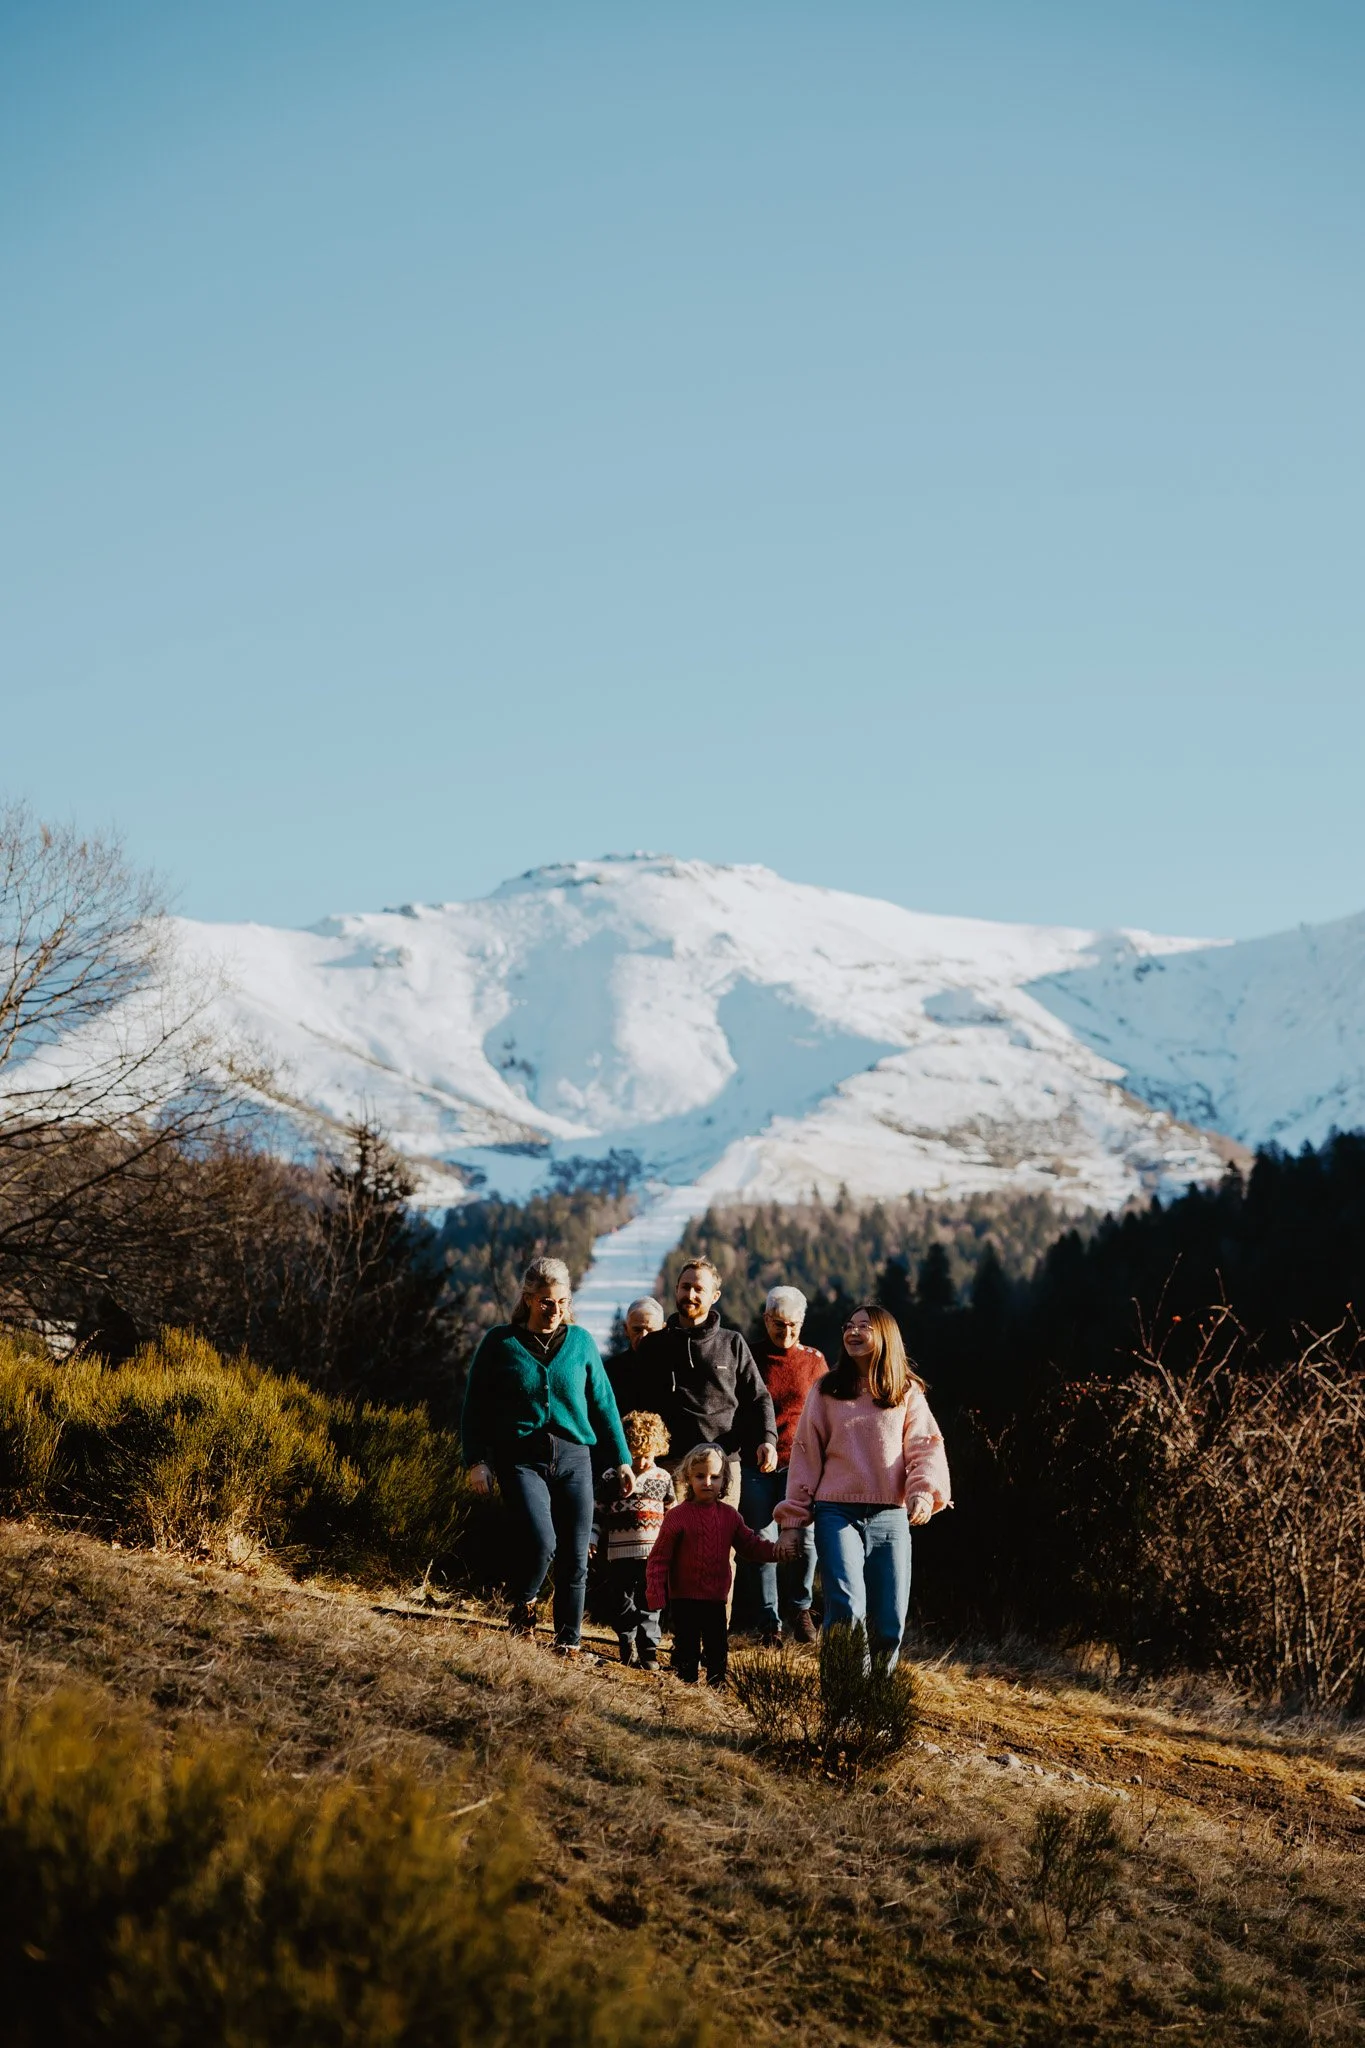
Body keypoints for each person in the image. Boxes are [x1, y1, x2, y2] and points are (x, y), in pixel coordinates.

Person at [461, 1255, 632, 1658]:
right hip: (520, 1459)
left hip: (575, 1457)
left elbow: (604, 1404)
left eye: (562, 1302)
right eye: (545, 1302)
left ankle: (568, 1641)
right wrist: (476, 1460)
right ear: (528, 1299)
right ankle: (523, 1603)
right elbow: (475, 1407)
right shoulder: (499, 1343)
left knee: (576, 1554)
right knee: (542, 1542)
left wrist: (622, 1457)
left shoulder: (582, 1343)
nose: (555, 1311)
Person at [775, 1304, 950, 1672]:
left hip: (891, 1516)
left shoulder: (906, 1391)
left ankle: (877, 1708)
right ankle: (844, 1701)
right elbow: (805, 1453)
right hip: (836, 1512)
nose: (852, 1332)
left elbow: (925, 1446)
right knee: (846, 1608)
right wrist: (793, 1519)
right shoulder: (827, 1389)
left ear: (885, 1335)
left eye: (864, 1327)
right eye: (848, 1326)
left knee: (890, 1619)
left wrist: (921, 1490)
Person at [635, 1259, 777, 1508]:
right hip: (667, 1465)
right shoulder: (653, 1346)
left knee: (719, 1544)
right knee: (671, 1545)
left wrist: (767, 1439)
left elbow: (758, 1397)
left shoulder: (732, 1343)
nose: (690, 1294)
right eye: (685, 1287)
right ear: (676, 1289)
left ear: (715, 1296)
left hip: (721, 1464)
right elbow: (636, 1404)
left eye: (699, 1289)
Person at [736, 1285, 826, 1647]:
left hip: (800, 1465)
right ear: (766, 1319)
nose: (785, 1333)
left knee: (806, 1541)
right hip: (756, 1463)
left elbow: (825, 1412)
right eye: (778, 1324)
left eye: (793, 1325)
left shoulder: (814, 1361)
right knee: (763, 1541)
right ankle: (767, 1622)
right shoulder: (750, 1355)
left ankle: (800, 1607)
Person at [646, 1443, 779, 1686]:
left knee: (717, 1648)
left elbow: (750, 1545)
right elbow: (659, 1558)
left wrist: (777, 1552)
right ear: (688, 1478)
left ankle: (715, 1687)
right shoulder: (678, 1516)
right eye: (700, 1476)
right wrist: (656, 1592)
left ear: (725, 1480)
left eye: (715, 1477)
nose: (708, 1482)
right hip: (684, 1598)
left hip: (716, 1598)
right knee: (687, 1647)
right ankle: (686, 1688)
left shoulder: (730, 1516)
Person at [593, 1409, 674, 1669]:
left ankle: (649, 1649)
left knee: (652, 1601)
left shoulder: (663, 1478)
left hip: (654, 1554)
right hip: (619, 1554)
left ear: (658, 1450)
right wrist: (592, 1539)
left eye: (647, 1456)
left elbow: (672, 1514)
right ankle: (627, 1638)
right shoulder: (610, 1478)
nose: (641, 1462)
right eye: (635, 1455)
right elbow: (597, 1513)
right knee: (621, 1599)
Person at [604, 1295, 666, 1411]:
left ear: (663, 1329)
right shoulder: (611, 1371)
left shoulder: (674, 1369)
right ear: (626, 1329)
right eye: (637, 1330)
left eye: (650, 1330)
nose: (643, 1336)